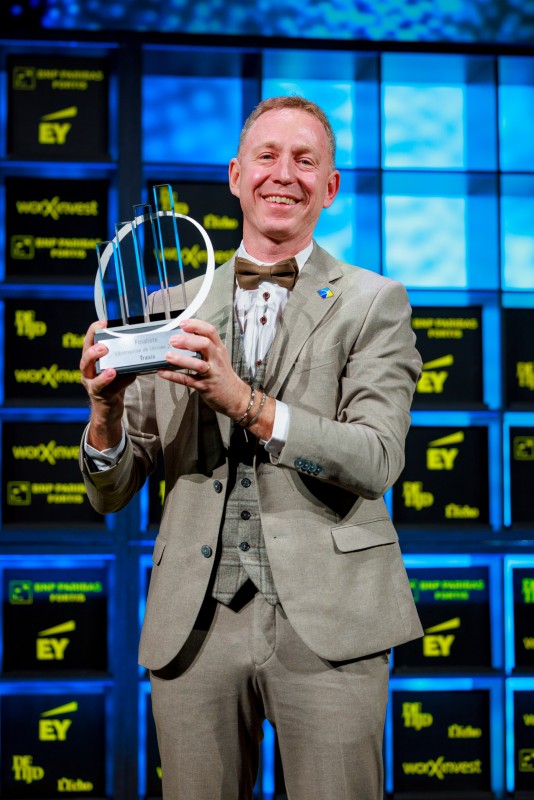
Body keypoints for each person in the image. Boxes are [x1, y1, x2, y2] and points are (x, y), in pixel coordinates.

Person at [80, 96, 423, 800]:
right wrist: (105, 413)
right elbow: (111, 491)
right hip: (194, 625)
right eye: (267, 156)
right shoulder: (167, 306)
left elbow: (377, 457)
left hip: (331, 620)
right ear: (236, 176)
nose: (284, 174)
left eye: (305, 160)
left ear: (330, 186)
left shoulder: (374, 302)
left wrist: (248, 405)